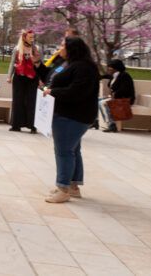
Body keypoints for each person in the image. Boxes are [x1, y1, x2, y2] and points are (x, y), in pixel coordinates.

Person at [42, 37, 99, 203]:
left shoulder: (83, 67)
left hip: (72, 116)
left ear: (72, 48)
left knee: (64, 151)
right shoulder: (72, 64)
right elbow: (50, 75)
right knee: (73, 150)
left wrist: (53, 92)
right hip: (71, 114)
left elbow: (76, 92)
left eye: (62, 46)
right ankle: (73, 186)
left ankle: (63, 188)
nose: (60, 48)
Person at [7, 30, 41, 133]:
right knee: (18, 101)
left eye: (33, 37)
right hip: (19, 77)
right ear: (24, 38)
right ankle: (16, 125)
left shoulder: (36, 49)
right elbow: (12, 63)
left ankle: (32, 126)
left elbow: (40, 65)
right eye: (30, 37)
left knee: (32, 101)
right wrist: (9, 76)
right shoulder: (17, 49)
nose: (32, 39)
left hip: (32, 78)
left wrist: (40, 79)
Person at [99, 59, 136, 133]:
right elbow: (106, 76)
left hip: (124, 99)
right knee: (97, 100)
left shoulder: (124, 76)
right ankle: (96, 121)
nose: (108, 69)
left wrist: (113, 95)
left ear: (116, 68)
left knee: (102, 103)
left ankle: (112, 125)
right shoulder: (114, 75)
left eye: (110, 67)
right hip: (116, 97)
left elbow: (125, 89)